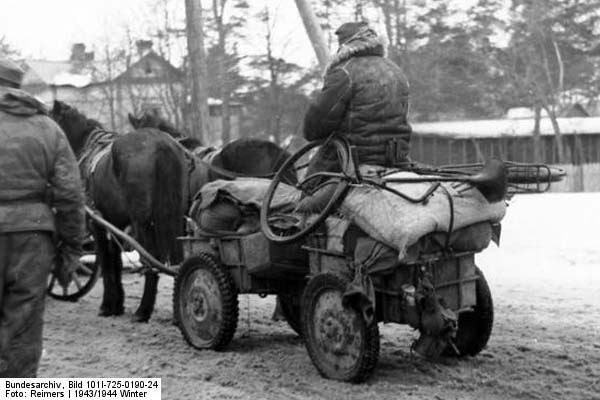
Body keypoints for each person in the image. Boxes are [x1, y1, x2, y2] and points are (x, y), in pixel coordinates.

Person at [0, 57, 85, 377]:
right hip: (32, 240)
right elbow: (70, 194)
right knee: (23, 330)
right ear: (17, 86)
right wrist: (71, 250)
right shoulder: (47, 128)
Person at [303, 21, 412, 174]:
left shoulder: (344, 72)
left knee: (309, 188)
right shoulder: (396, 71)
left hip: (351, 160)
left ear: (344, 45)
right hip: (397, 159)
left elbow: (314, 128)